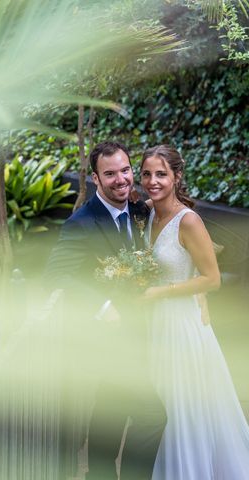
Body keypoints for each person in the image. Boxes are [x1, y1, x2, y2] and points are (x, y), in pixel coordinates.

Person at [45, 141, 166, 480]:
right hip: (107, 342)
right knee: (151, 416)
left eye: (125, 170)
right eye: (110, 174)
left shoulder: (140, 212)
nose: (121, 179)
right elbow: (55, 275)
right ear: (95, 179)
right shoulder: (81, 223)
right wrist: (103, 305)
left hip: (141, 333)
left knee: (110, 414)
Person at [139, 145, 249, 479]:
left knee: (180, 409)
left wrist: (163, 291)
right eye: (147, 174)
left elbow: (212, 279)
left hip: (180, 326)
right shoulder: (144, 212)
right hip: (151, 325)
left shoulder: (188, 222)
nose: (153, 181)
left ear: (176, 177)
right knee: (157, 406)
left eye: (161, 174)